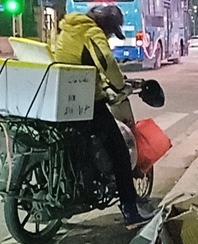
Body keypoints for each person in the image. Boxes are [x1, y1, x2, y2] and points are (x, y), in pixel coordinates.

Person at [54, 5, 153, 229]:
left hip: (63, 97)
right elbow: (106, 60)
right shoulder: (92, 31)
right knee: (119, 150)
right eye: (110, 32)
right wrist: (119, 86)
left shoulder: (68, 27)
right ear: (106, 26)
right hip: (87, 101)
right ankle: (130, 210)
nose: (109, 36)